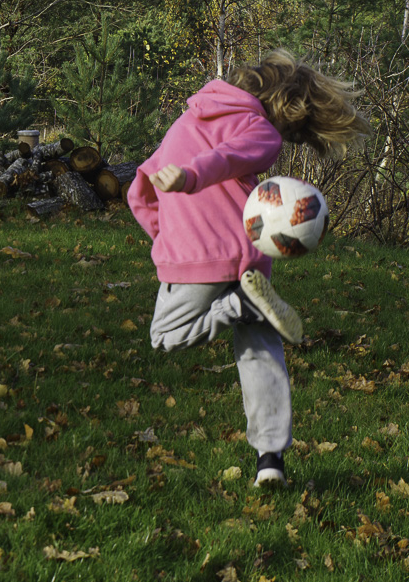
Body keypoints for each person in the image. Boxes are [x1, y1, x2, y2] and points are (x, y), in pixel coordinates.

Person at [127, 49, 368, 486]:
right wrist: (192, 176)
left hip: (195, 257)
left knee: (165, 337)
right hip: (249, 257)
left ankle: (238, 306)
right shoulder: (259, 129)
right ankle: (270, 459)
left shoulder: (186, 121)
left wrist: (166, 235)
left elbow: (139, 190)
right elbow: (232, 157)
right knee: (260, 355)